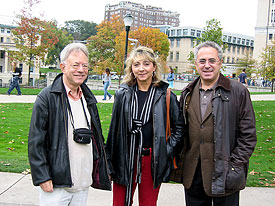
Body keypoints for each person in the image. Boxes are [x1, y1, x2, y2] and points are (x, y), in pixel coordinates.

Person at [172, 41, 257, 206]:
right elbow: (180, 130)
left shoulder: (238, 91)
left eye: (212, 60)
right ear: (196, 64)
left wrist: (235, 165)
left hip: (225, 172)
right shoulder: (187, 93)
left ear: (220, 62)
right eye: (202, 61)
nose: (207, 65)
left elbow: (248, 136)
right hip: (193, 173)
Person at [28, 43, 111, 205]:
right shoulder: (47, 98)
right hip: (57, 183)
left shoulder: (88, 98)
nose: (81, 70)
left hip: (82, 182)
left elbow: (97, 138)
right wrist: (42, 176)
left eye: (85, 66)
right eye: (75, 65)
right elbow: (35, 142)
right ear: (63, 67)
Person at [106, 46, 184, 206]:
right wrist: (108, 162)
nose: (141, 69)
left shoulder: (165, 95)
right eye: (136, 64)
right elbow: (114, 130)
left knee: (148, 203)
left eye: (146, 64)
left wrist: (166, 150)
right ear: (131, 69)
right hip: (125, 159)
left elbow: (180, 127)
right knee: (120, 203)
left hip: (151, 160)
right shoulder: (123, 93)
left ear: (154, 67)